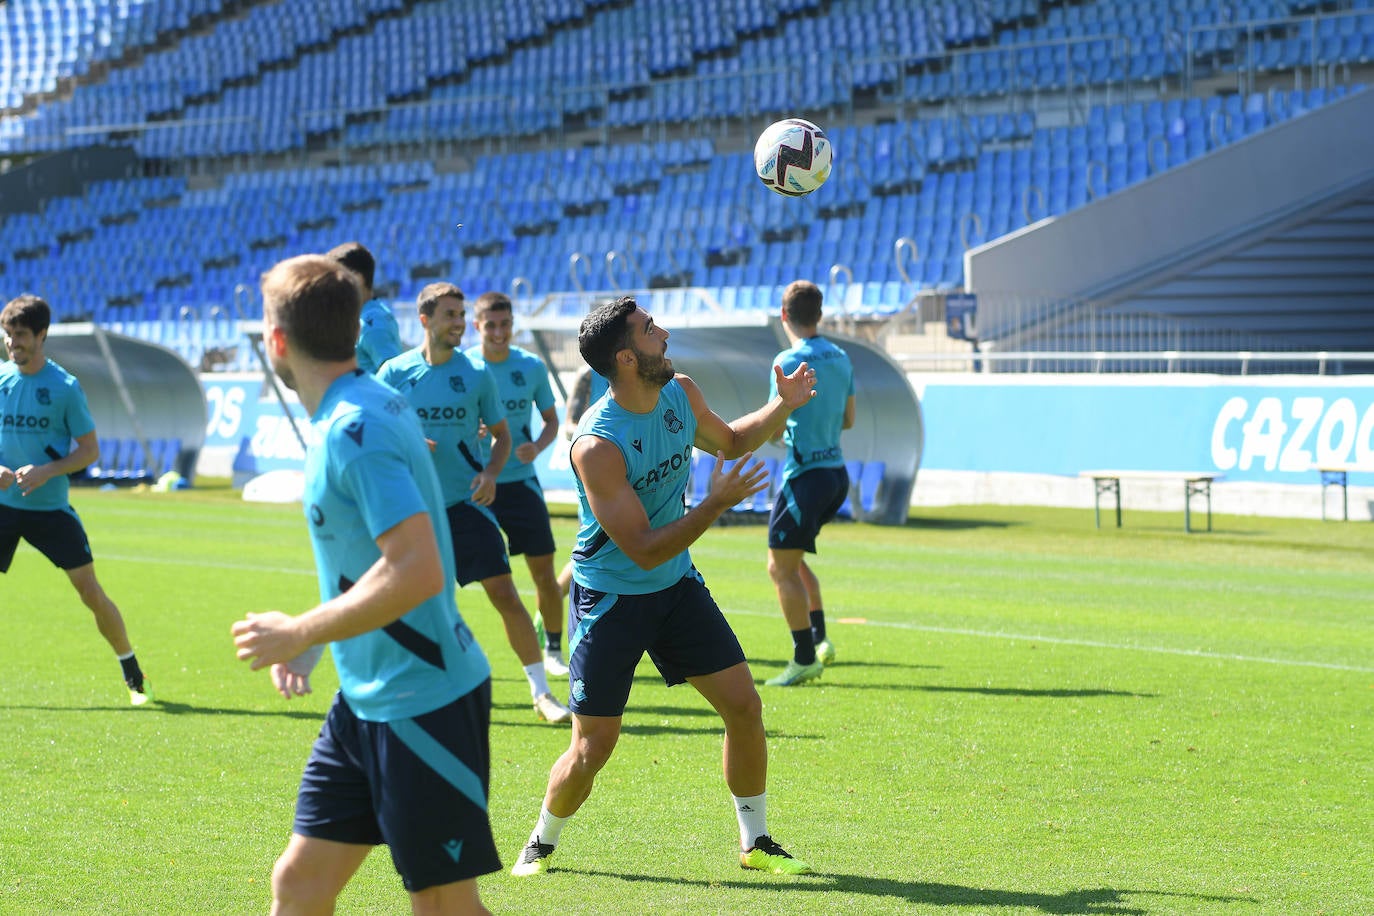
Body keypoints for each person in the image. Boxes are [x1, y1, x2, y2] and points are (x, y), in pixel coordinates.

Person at [510, 295, 818, 879]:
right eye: (651, 330)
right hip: (612, 600)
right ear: (626, 358)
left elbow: (729, 441)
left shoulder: (681, 391)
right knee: (593, 747)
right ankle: (542, 841)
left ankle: (756, 842)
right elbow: (645, 547)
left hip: (676, 588)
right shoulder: (596, 446)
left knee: (745, 707)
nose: (665, 333)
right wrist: (716, 504)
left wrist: (780, 405)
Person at [230, 254, 500, 914]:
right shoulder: (368, 405)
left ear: (277, 341)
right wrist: (317, 644)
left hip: (423, 699)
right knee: (299, 885)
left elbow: (416, 569)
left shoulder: (357, 425)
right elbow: (363, 563)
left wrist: (298, 629)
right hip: (366, 698)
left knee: (443, 907)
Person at [378, 282, 572, 724]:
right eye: (451, 315)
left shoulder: (476, 375)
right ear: (425, 320)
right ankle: (416, 687)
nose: (460, 324)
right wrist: (405, 441)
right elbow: (374, 431)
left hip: (466, 504)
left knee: (504, 591)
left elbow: (503, 435)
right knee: (419, 601)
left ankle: (541, 692)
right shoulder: (393, 373)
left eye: (463, 315)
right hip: (414, 509)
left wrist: (489, 473)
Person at [0, 294, 151, 706]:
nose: (13, 343)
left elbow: (89, 452)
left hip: (50, 510)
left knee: (89, 591)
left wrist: (46, 471)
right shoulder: (1, 381)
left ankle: (133, 672)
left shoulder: (64, 388)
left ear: (42, 335)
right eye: (9, 335)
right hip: (3, 507)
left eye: (22, 336)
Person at [465, 291, 568, 677]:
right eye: (490, 324)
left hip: (522, 485)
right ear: (477, 326)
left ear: (513, 325)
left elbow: (552, 421)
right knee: (483, 579)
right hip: (477, 487)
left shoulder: (531, 367)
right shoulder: (464, 367)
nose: (498, 332)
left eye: (505, 324)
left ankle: (554, 650)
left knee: (544, 573)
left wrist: (537, 446)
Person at [763, 280, 856, 687]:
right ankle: (819, 641)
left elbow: (772, 424)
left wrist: (778, 434)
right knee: (792, 560)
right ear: (819, 315)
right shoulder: (841, 357)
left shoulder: (788, 359)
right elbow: (848, 420)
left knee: (779, 567)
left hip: (804, 478)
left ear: (785, 316)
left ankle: (803, 658)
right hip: (836, 475)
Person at [326, 241, 403, 375]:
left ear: (358, 278)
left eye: (336, 277)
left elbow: (395, 376)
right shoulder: (370, 312)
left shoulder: (372, 323)